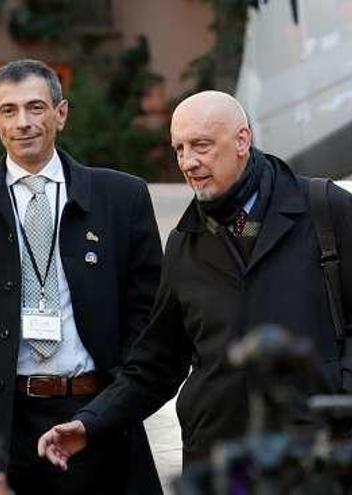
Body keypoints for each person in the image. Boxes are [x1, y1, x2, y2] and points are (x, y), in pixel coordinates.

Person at [38, 90, 352, 471]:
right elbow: (157, 362)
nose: (188, 162)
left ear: (242, 140)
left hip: (320, 457)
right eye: (179, 149)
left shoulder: (325, 210)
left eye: (200, 145)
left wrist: (338, 393)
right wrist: (91, 422)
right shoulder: (185, 242)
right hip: (219, 464)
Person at [0, 59, 163, 494]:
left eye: (36, 107)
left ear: (61, 113)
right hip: (1, 428)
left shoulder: (121, 199)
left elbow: (147, 326)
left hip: (94, 420)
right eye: (9, 111)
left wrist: (113, 409)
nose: (24, 122)